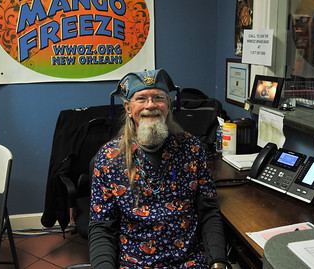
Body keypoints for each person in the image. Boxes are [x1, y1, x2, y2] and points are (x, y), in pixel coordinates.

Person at [88, 69, 230, 269]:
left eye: (158, 97)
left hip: (189, 262)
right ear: (128, 108)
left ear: (169, 104)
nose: (151, 105)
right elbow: (102, 226)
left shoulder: (192, 149)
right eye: (141, 98)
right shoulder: (109, 158)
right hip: (135, 263)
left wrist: (218, 261)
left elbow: (209, 212)